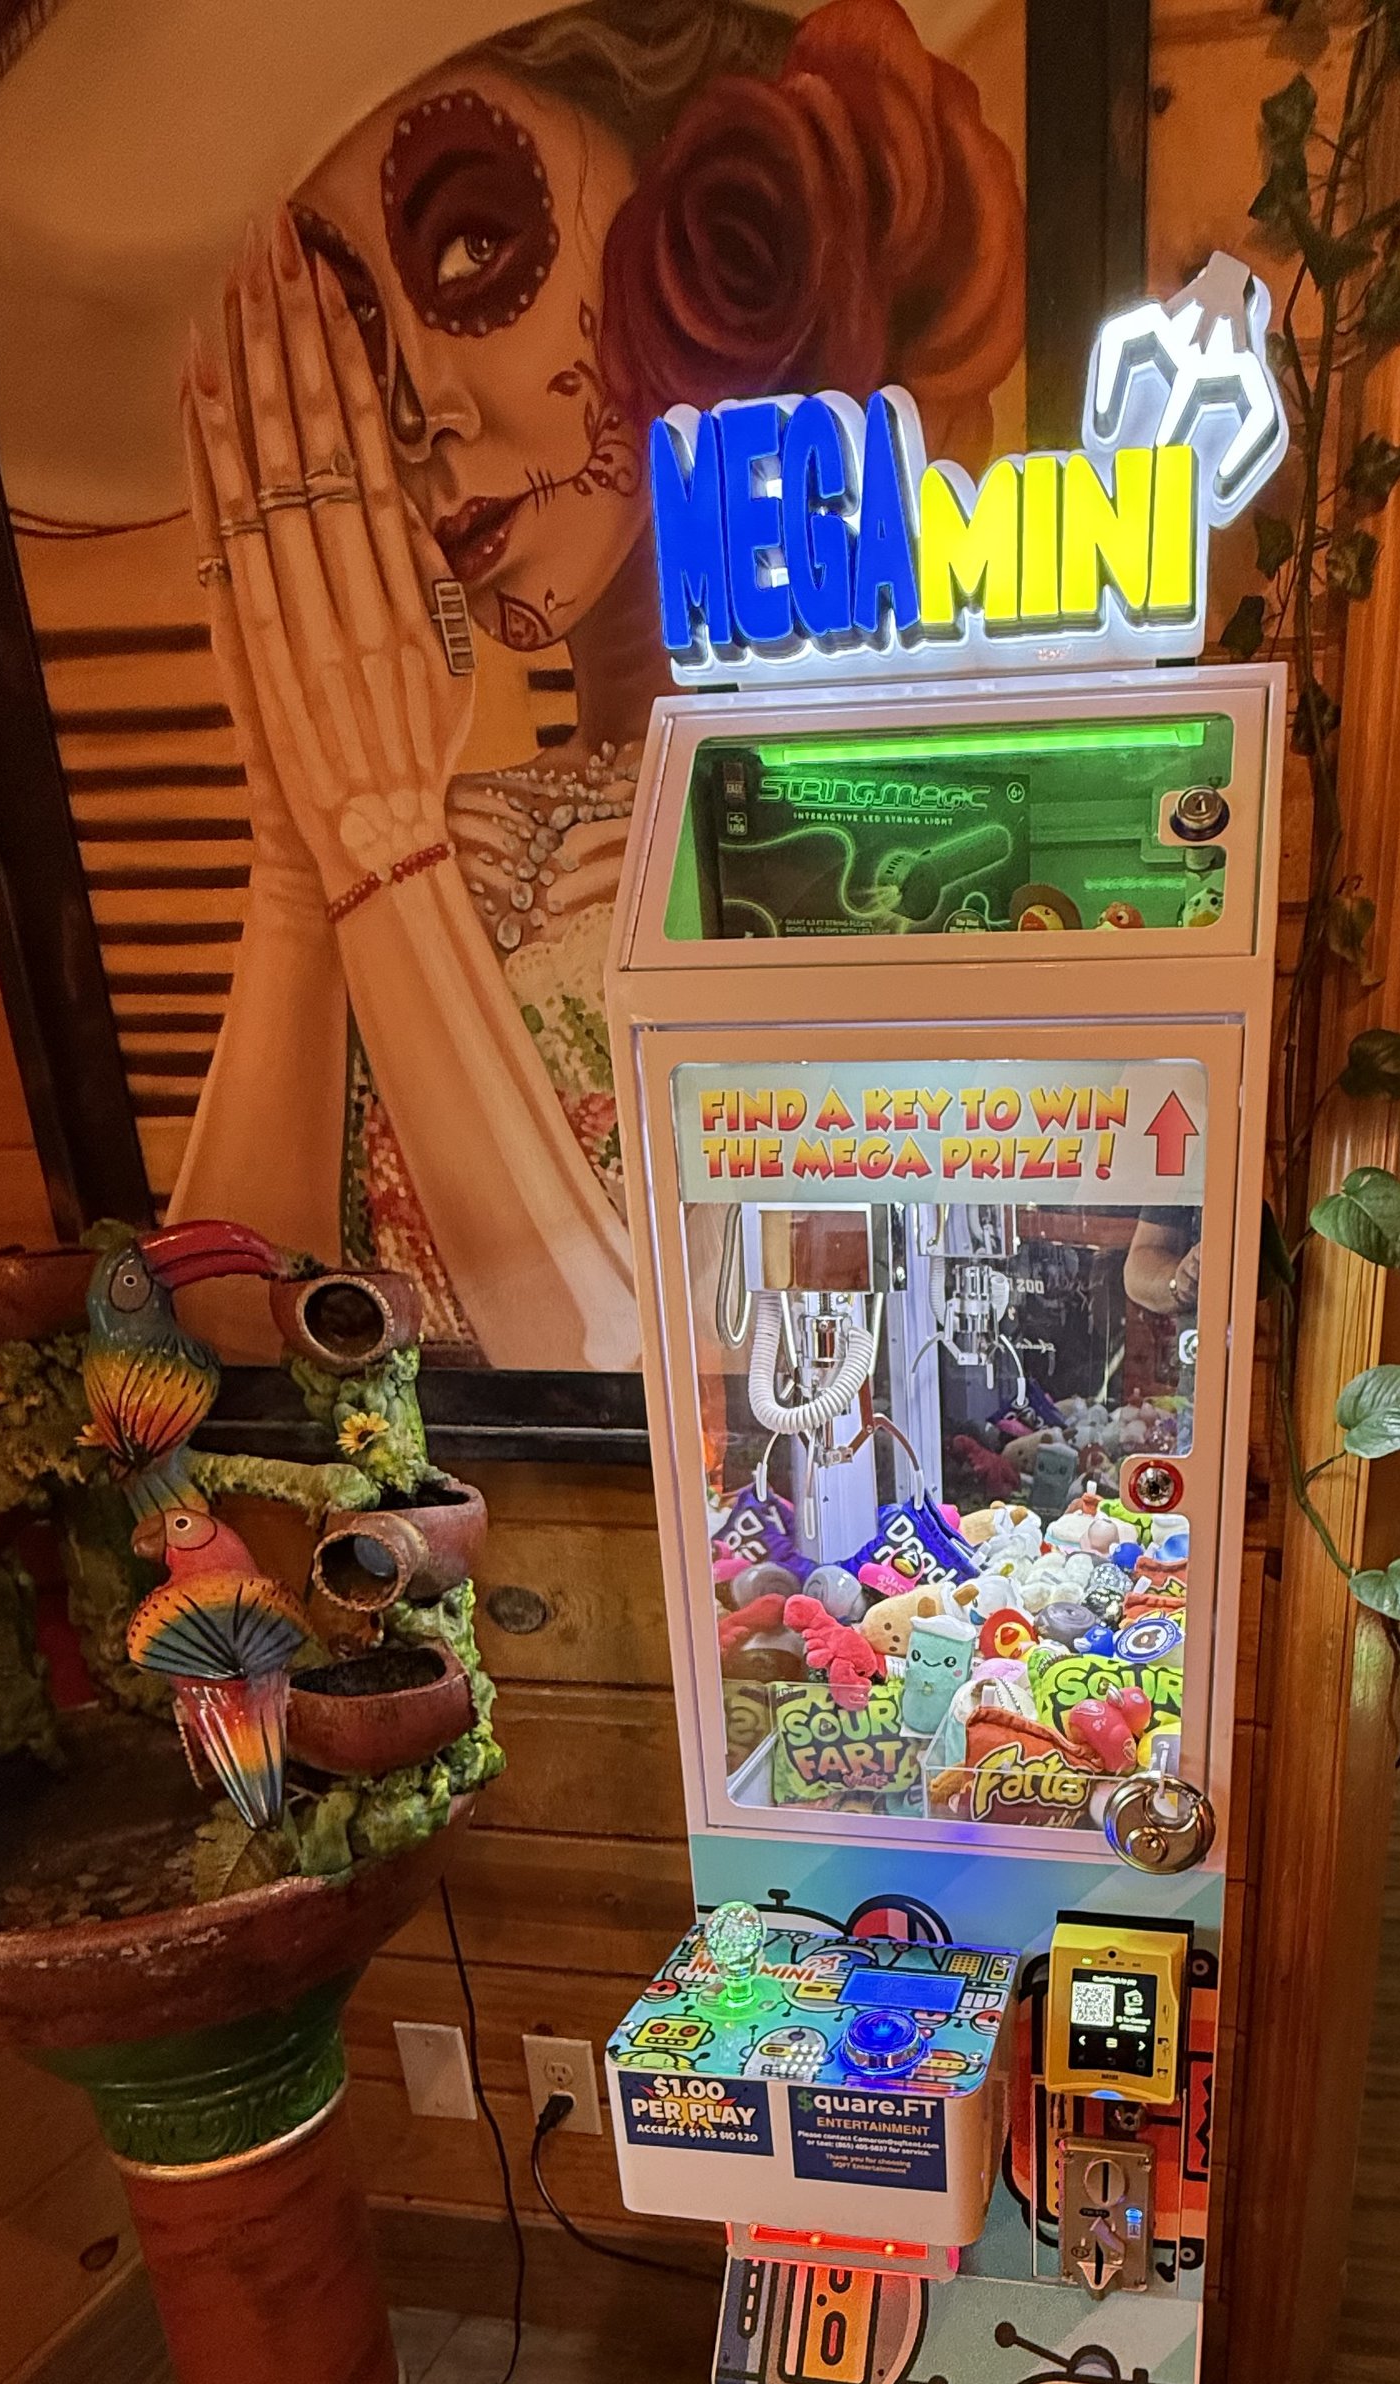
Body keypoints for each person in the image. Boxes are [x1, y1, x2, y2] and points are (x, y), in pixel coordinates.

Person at [165, 0, 1022, 1366]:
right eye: (349, 342)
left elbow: (690, 1411)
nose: (419, 410)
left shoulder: (872, 829)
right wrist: (296, 858)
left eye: (470, 248)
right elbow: (213, 1359)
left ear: (689, 188)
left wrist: (381, 856)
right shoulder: (432, 808)